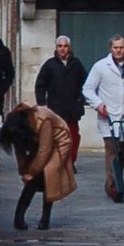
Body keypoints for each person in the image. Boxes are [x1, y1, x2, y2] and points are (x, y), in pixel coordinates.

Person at [0, 103, 76, 230]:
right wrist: (23, 170)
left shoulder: (44, 119)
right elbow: (19, 150)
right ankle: (19, 217)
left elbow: (44, 150)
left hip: (59, 142)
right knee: (33, 180)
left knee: (49, 174)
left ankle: (44, 218)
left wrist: (32, 172)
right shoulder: (16, 123)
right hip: (36, 140)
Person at [83, 34, 124, 197]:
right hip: (108, 116)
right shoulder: (101, 66)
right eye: (115, 48)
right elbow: (88, 88)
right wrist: (99, 105)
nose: (118, 50)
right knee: (112, 152)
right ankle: (112, 185)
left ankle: (116, 179)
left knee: (123, 153)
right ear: (110, 48)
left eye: (121, 47)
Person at [34, 35, 88, 169]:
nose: (62, 49)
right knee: (54, 138)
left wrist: (81, 98)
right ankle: (56, 162)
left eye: (65, 46)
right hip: (55, 110)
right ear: (56, 48)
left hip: (72, 109)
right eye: (60, 46)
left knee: (73, 138)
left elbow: (87, 83)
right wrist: (42, 105)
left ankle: (69, 163)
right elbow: (40, 85)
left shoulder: (77, 64)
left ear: (69, 48)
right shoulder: (49, 65)